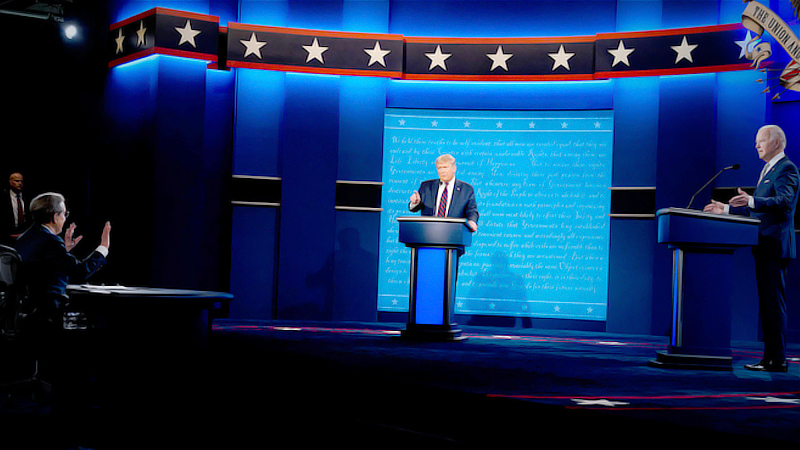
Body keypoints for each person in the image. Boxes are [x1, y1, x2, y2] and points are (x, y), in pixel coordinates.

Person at [704, 125, 799, 372]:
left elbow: (783, 202)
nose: (756, 145)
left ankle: (777, 359)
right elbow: (757, 208)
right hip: (764, 246)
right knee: (767, 305)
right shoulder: (768, 169)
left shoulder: (786, 168)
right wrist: (725, 209)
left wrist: (753, 199)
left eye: (761, 141)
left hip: (775, 246)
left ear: (777, 143)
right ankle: (769, 358)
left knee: (773, 304)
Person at [14, 192, 111, 329]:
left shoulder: (23, 239)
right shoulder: (51, 241)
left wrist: (64, 251)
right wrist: (103, 249)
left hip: (25, 315)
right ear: (55, 217)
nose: (65, 219)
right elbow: (80, 271)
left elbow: (42, 267)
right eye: (64, 214)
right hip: (49, 315)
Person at [409, 154, 479, 232]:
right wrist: (415, 203)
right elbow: (415, 208)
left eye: (445, 167)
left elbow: (471, 210)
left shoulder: (466, 189)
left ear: (454, 168)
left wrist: (472, 222)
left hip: (454, 234)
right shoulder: (426, 186)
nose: (442, 171)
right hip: (428, 234)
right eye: (439, 168)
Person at [1, 172, 28, 244]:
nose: (20, 183)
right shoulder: (4, 198)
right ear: (10, 181)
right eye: (17, 181)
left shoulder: (27, 198)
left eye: (21, 181)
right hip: (6, 237)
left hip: (24, 236)